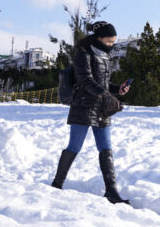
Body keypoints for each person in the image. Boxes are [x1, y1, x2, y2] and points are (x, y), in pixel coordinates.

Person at [51, 21, 132, 204]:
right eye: (109, 40)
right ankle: (56, 184)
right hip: (83, 106)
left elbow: (103, 84)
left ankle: (111, 192)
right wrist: (105, 94)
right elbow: (85, 80)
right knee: (74, 147)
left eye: (113, 41)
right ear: (98, 38)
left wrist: (117, 89)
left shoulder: (104, 55)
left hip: (102, 107)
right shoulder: (83, 53)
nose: (111, 44)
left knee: (106, 148)